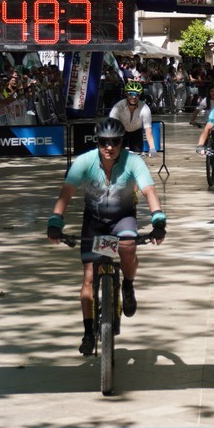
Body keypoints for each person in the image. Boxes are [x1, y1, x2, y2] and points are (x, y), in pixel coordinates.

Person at [47, 118, 166, 356]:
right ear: (97, 141)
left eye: (115, 142)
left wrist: (158, 219)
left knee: (128, 248)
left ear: (122, 142)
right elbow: (66, 193)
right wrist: (55, 221)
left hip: (123, 218)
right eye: (104, 142)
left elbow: (149, 190)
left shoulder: (133, 161)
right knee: (89, 277)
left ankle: (128, 285)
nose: (109, 147)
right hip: (94, 221)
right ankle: (88, 333)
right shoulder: (84, 161)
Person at [108, 79, 156, 156]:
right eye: (130, 94)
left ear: (140, 95)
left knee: (137, 156)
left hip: (136, 132)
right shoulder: (118, 107)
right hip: (121, 132)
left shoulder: (145, 108)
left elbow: (148, 130)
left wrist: (152, 148)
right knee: (118, 156)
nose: (134, 97)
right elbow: (112, 126)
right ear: (126, 94)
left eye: (137, 94)